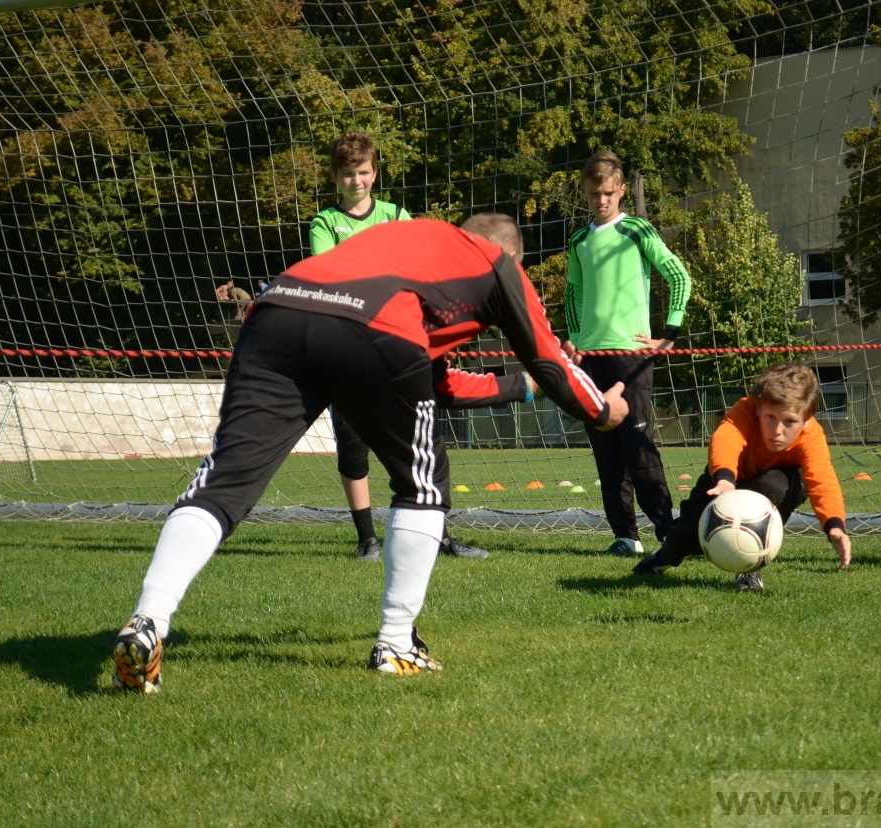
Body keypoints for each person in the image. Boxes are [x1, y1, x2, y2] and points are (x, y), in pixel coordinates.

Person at [110, 214, 628, 692]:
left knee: (223, 482)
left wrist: (522, 389)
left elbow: (436, 381)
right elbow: (551, 360)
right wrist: (602, 411)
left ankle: (148, 620)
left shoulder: (411, 243)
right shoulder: (498, 265)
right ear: (511, 258)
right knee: (422, 484)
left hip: (277, 310)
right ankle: (397, 644)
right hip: (372, 326)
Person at [309, 131, 488, 561]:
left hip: (398, 345)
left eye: (364, 172)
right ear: (335, 176)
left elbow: (416, 267)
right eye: (348, 173)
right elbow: (330, 277)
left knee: (420, 442)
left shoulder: (395, 214)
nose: (357, 181)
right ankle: (366, 539)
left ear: (375, 173)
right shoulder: (324, 224)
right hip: (347, 350)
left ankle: (438, 535)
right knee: (353, 448)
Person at [562, 150, 691, 556]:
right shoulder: (579, 240)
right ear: (585, 194)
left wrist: (669, 333)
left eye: (609, 193)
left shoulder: (637, 230)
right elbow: (573, 293)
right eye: (594, 194)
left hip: (632, 356)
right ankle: (624, 535)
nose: (601, 200)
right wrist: (575, 338)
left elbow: (678, 275)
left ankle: (667, 528)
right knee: (605, 447)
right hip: (591, 359)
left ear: (620, 192)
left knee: (637, 443)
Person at [633, 362, 850, 591]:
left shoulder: (811, 436)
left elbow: (822, 479)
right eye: (770, 417)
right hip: (726, 479)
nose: (777, 430)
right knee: (688, 534)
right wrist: (725, 479)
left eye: (789, 422)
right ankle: (663, 557)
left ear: (807, 419)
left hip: (775, 483)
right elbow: (726, 439)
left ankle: (748, 570)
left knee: (773, 486)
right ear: (758, 407)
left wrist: (834, 525)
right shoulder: (745, 409)